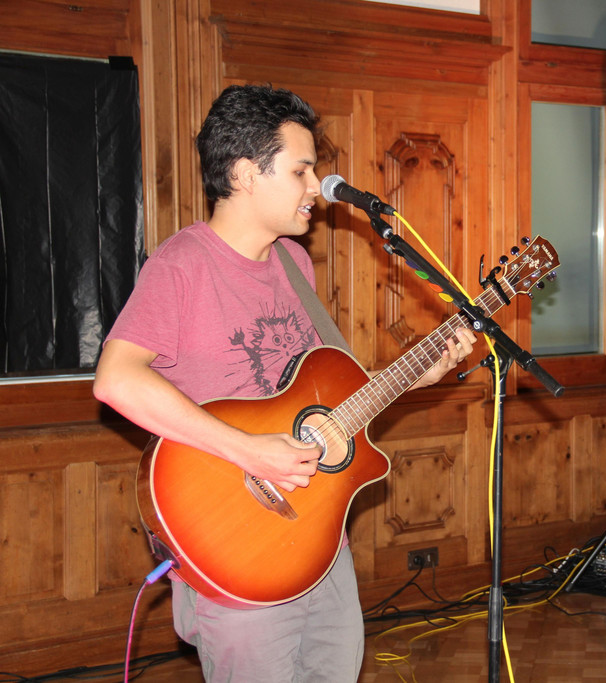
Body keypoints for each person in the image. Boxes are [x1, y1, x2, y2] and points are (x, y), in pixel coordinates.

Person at [92, 84, 476, 682]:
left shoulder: (294, 265)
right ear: (246, 174)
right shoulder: (182, 264)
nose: (315, 187)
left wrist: (413, 376)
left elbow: (317, 399)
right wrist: (249, 451)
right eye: (300, 171)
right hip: (236, 544)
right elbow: (115, 380)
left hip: (320, 538)